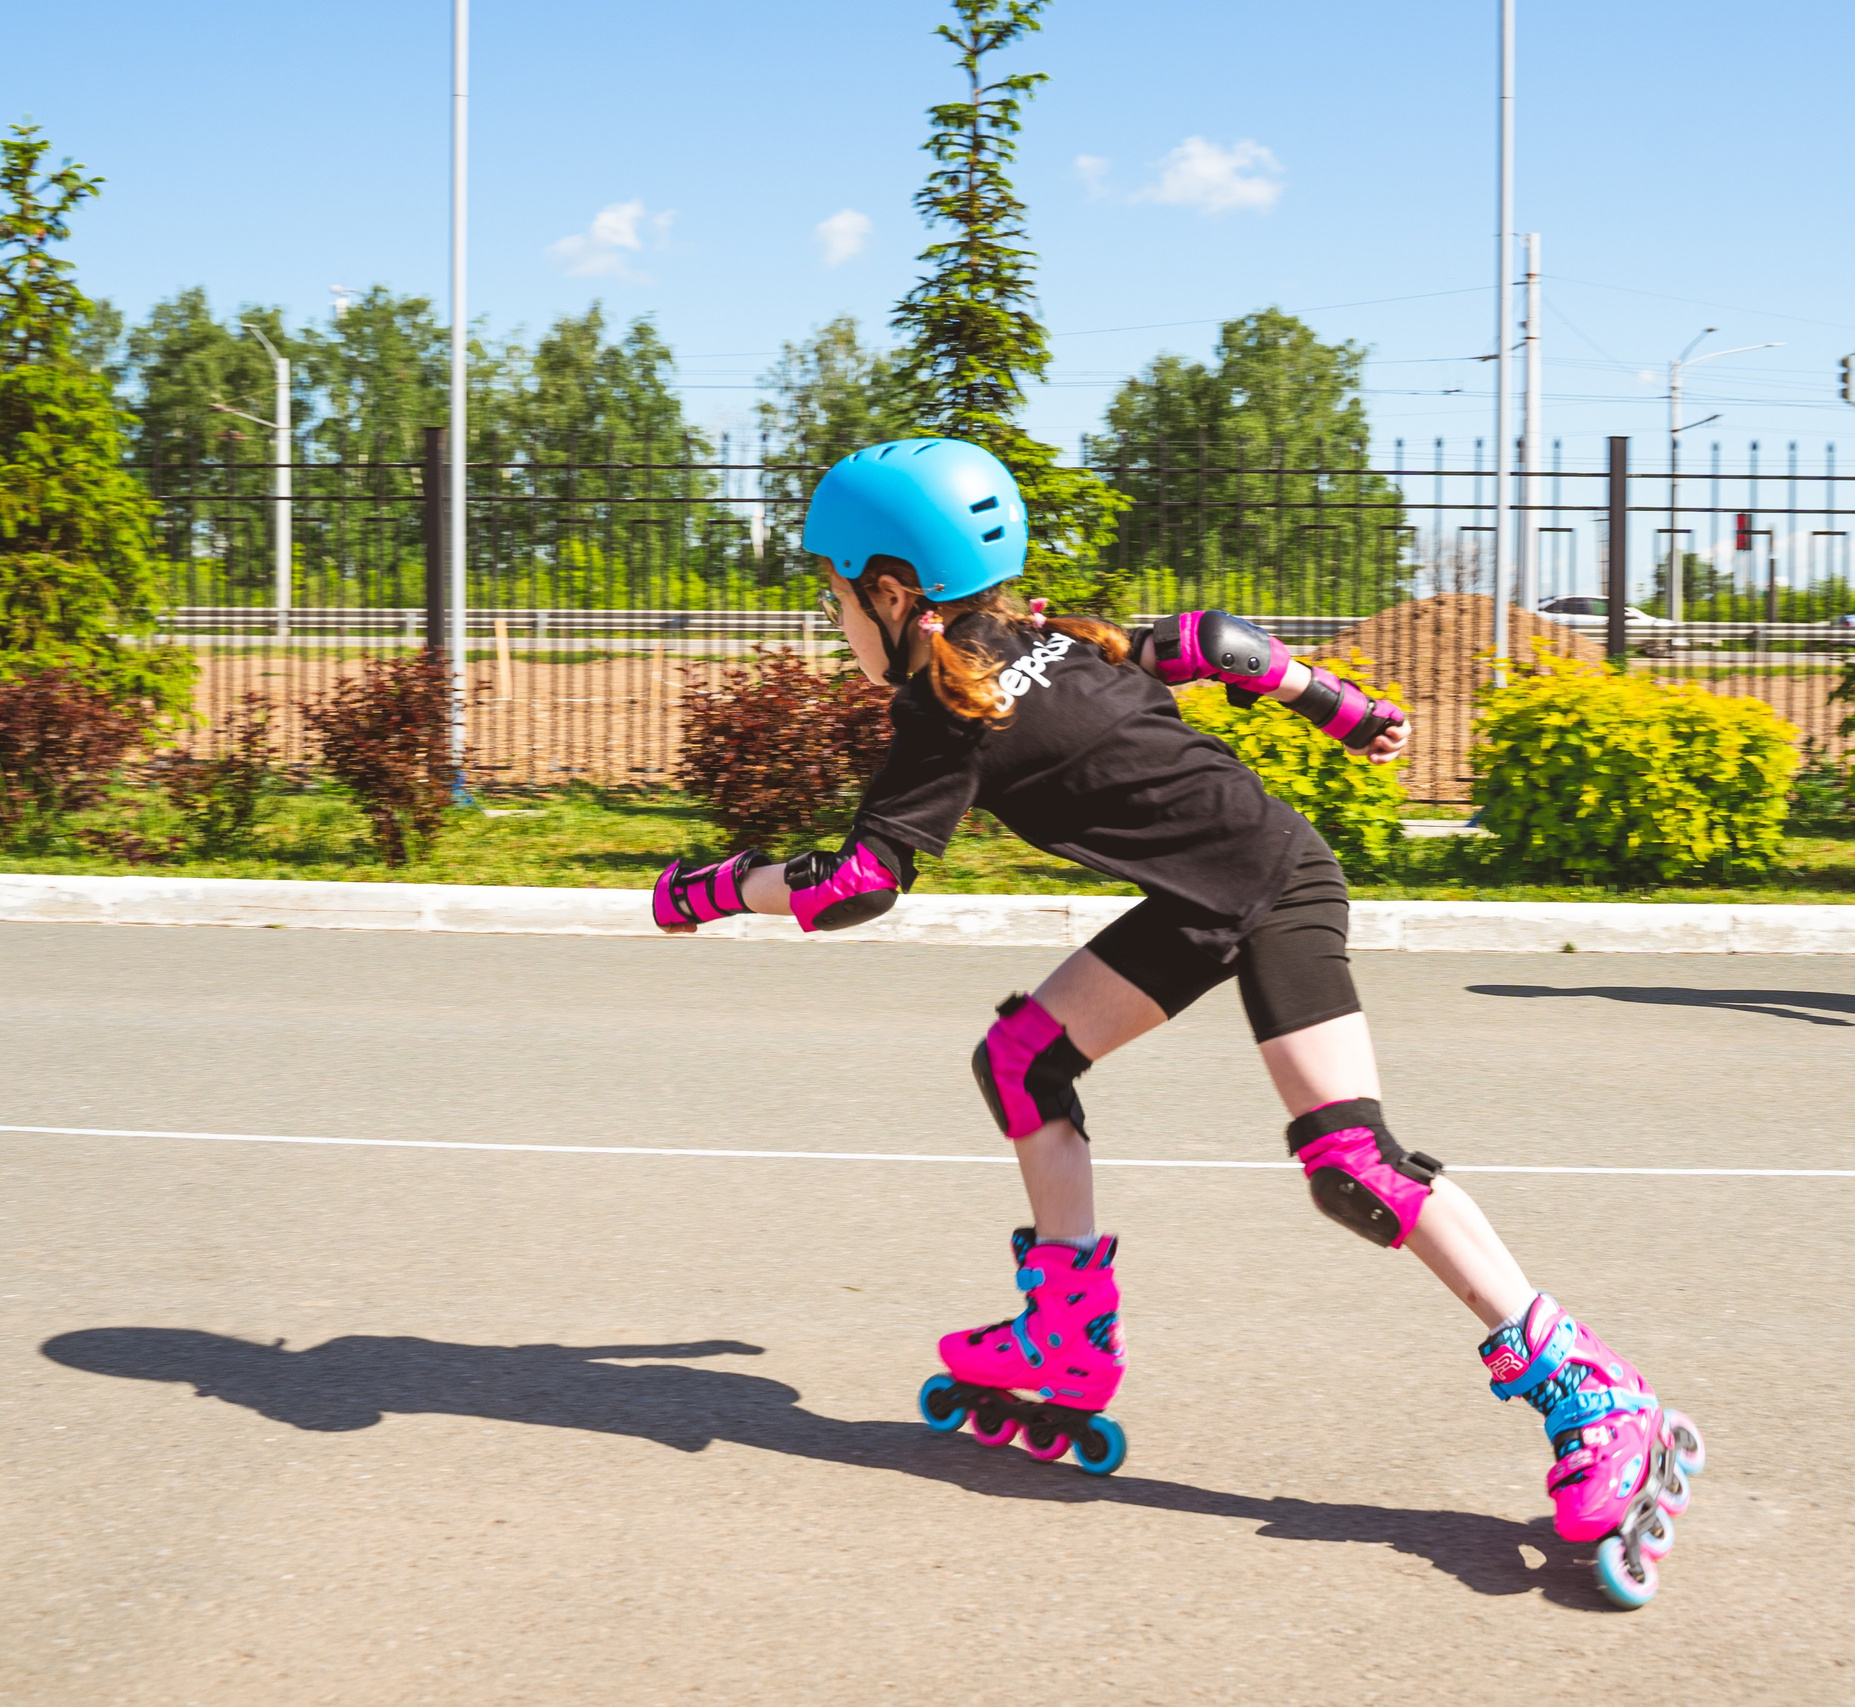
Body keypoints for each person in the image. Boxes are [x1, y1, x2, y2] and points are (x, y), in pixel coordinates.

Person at [649, 437, 1702, 1608]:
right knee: (1023, 1057)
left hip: (1273, 890)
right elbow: (1212, 643)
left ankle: (1594, 1390)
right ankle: (1064, 1332)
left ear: (893, 593)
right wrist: (1335, 706)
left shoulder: (947, 714)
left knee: (1351, 1165)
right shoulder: (1052, 639)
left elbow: (858, 882)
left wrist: (709, 889)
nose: (834, 617)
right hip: (1199, 900)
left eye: (834, 594)